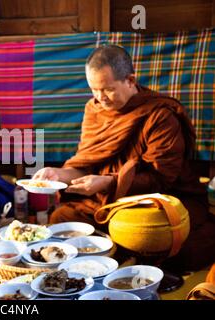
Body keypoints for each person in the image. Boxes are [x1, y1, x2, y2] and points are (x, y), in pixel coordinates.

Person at [33, 44, 215, 271]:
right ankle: (124, 254)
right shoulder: (95, 109)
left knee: (171, 243)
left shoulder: (160, 116)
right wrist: (58, 174)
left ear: (130, 80)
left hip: (154, 201)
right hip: (105, 201)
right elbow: (87, 163)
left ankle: (124, 255)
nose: (101, 98)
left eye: (107, 89)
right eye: (94, 90)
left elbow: (161, 180)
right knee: (62, 218)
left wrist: (109, 182)